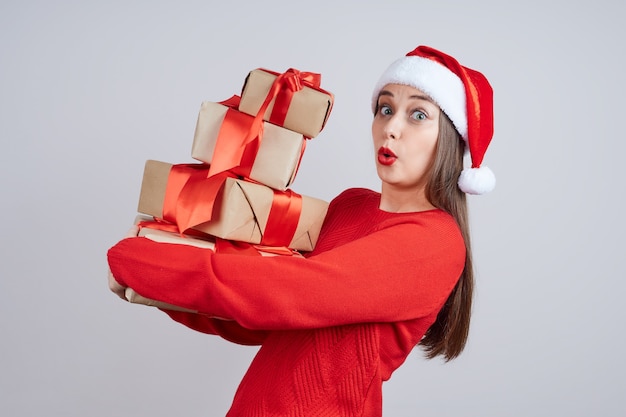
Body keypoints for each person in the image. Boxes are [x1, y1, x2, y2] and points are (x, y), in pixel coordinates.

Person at [107, 45, 495, 416]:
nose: (391, 127)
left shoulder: (435, 241)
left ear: (450, 139)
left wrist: (156, 266)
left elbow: (292, 289)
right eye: (385, 108)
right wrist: (153, 290)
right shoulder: (351, 205)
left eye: (418, 115)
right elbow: (267, 315)